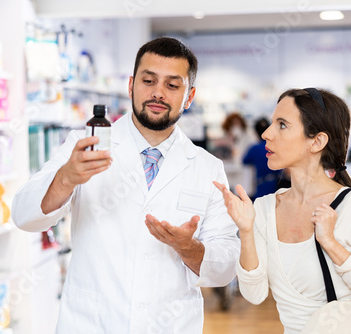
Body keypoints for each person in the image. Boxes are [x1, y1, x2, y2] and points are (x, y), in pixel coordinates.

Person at [12, 37, 239, 333]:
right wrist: (66, 179)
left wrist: (190, 249)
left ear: (189, 96)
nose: (158, 93)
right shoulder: (83, 146)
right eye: (148, 80)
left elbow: (226, 264)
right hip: (92, 322)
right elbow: (23, 215)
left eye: (172, 85)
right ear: (131, 85)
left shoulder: (207, 167)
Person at [214, 88, 351, 333]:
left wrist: (333, 246)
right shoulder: (264, 208)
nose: (266, 133)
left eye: (282, 125)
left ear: (317, 141)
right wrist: (247, 231)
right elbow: (254, 294)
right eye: (272, 123)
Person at [243, 117, 283, 200]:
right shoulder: (276, 146)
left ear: (255, 132)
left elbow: (244, 161)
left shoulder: (254, 148)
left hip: (261, 184)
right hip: (276, 183)